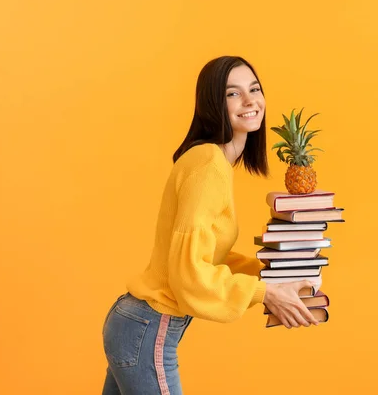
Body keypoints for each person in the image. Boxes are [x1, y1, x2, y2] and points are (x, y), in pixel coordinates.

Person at [101, 56, 319, 395]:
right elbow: (188, 270)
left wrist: (267, 273)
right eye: (232, 94)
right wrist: (265, 293)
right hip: (148, 326)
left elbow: (207, 254)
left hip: (136, 323)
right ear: (212, 105)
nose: (249, 101)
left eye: (254, 89)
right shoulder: (207, 165)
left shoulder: (212, 161)